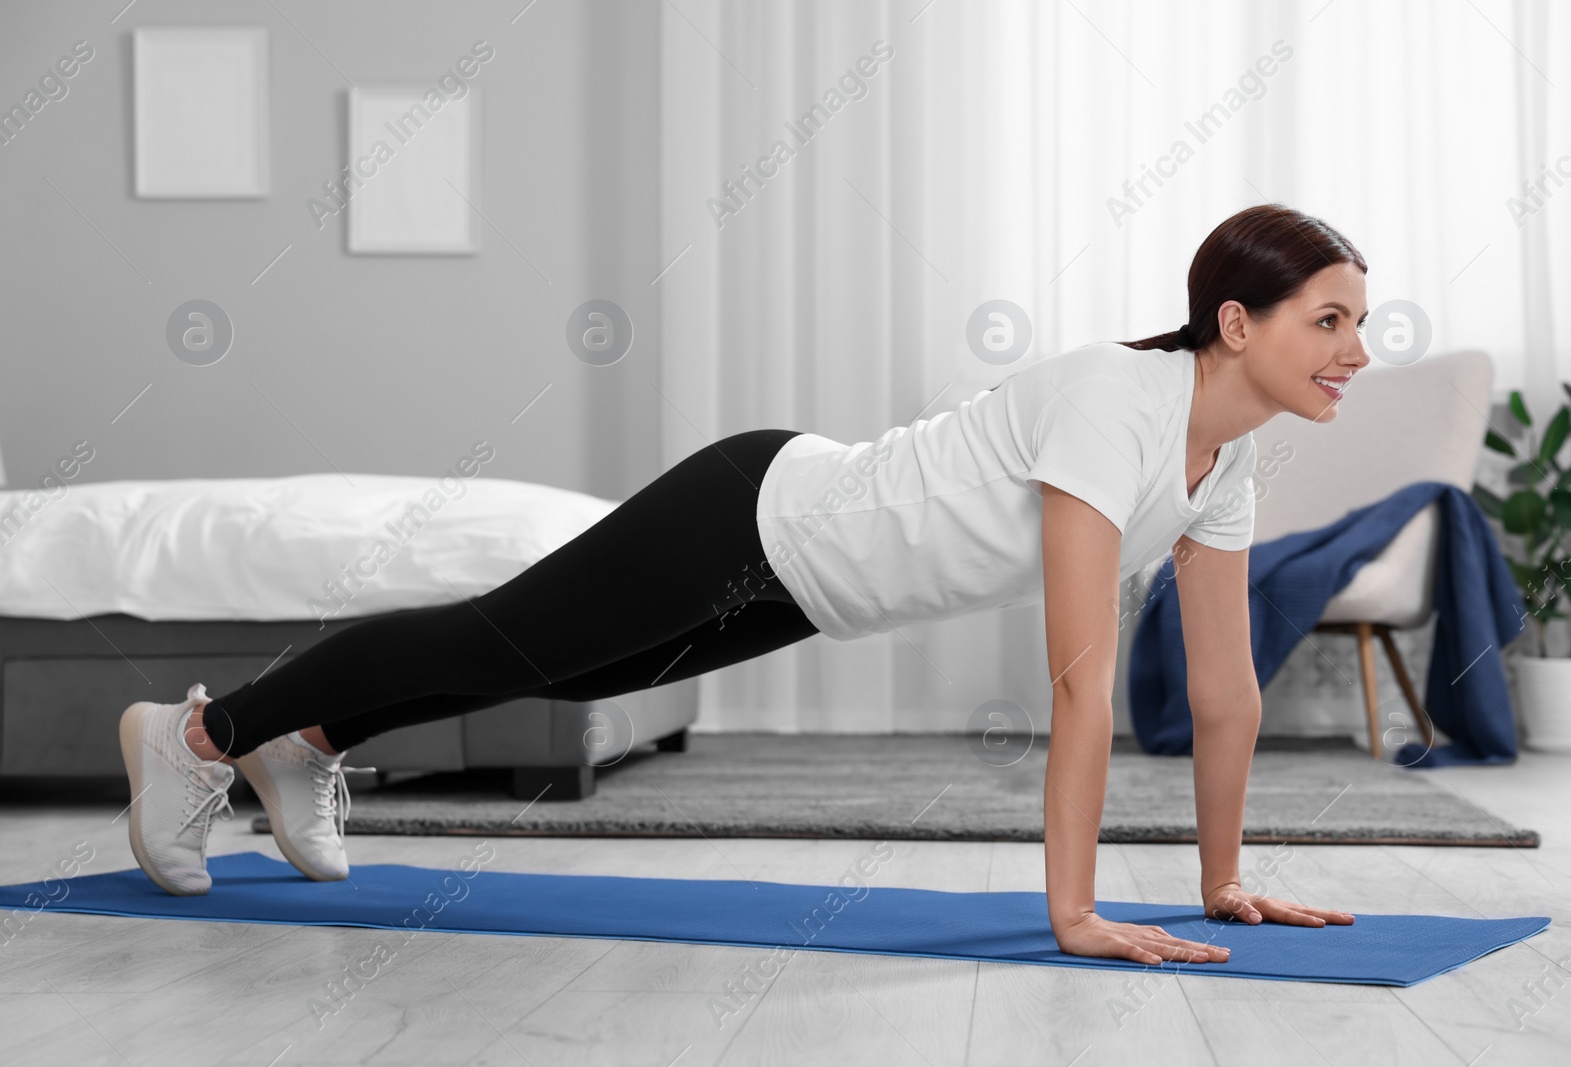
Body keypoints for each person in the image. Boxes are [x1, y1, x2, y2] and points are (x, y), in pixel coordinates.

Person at [120, 201, 1360, 965]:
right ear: (1236, 322)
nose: (1355, 351)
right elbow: (1084, 685)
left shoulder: (1224, 463)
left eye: (1361, 323)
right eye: (1329, 321)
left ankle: (307, 740)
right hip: (755, 512)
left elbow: (1223, 692)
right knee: (500, 640)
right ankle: (199, 733)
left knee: (566, 669)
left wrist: (1220, 880)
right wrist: (1076, 913)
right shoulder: (1115, 400)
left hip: (805, 587)